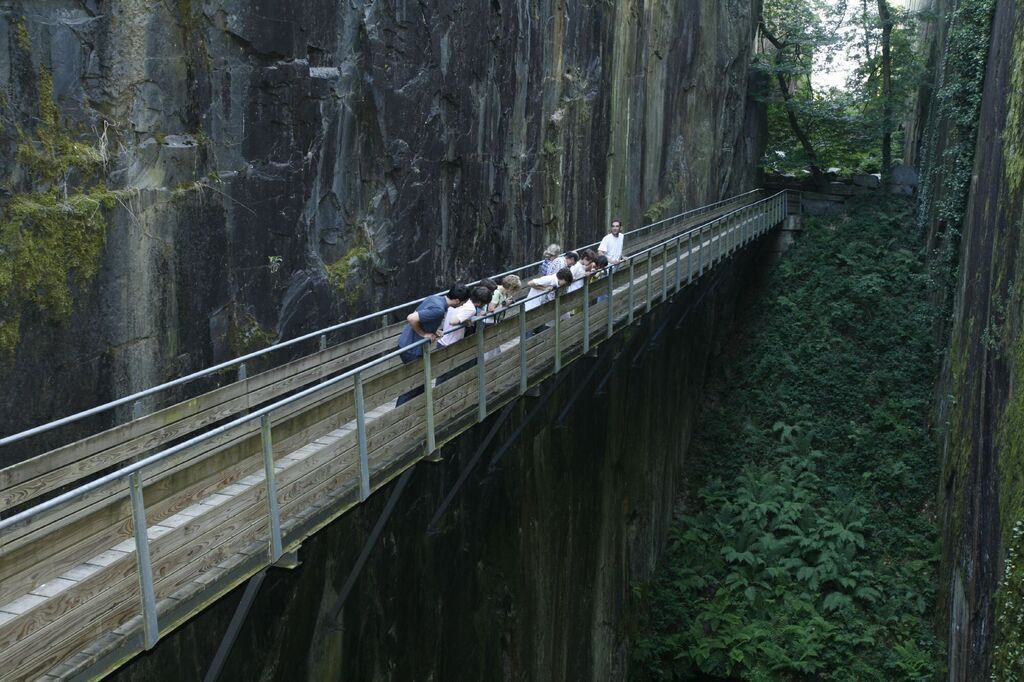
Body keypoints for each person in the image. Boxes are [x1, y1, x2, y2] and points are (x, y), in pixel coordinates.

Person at [395, 284, 470, 405]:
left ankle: (418, 409)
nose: (462, 305)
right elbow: (411, 318)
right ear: (457, 300)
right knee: (414, 385)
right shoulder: (439, 310)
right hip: (412, 350)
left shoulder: (434, 298)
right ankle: (399, 415)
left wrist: (432, 331)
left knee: (421, 382)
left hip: (405, 343)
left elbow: (418, 313)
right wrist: (424, 334)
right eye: (462, 302)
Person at [434, 286, 492, 386]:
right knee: (447, 376)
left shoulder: (463, 300)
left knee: (443, 376)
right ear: (480, 303)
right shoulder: (471, 309)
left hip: (443, 342)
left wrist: (467, 319)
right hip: (450, 345)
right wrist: (466, 320)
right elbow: (453, 321)